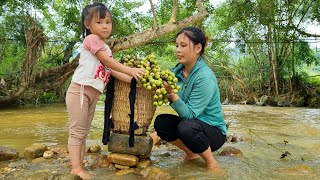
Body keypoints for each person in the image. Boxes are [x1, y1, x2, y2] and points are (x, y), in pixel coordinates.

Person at [65, 2, 143, 179]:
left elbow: (112, 71)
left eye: (107, 22)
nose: (105, 26)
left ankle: (80, 166)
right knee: (77, 131)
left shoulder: (106, 48)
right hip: (80, 91)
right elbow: (107, 62)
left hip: (93, 94)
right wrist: (130, 69)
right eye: (99, 22)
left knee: (84, 131)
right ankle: (76, 169)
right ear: (88, 25)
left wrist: (134, 81)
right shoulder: (91, 40)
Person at [154, 27, 227, 170]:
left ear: (198, 48)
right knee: (161, 122)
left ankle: (211, 162)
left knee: (186, 127)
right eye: (176, 45)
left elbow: (190, 115)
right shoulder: (177, 71)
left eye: (183, 45)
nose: (178, 50)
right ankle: (191, 153)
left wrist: (171, 94)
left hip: (213, 132)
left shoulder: (204, 76)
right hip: (192, 125)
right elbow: (156, 80)